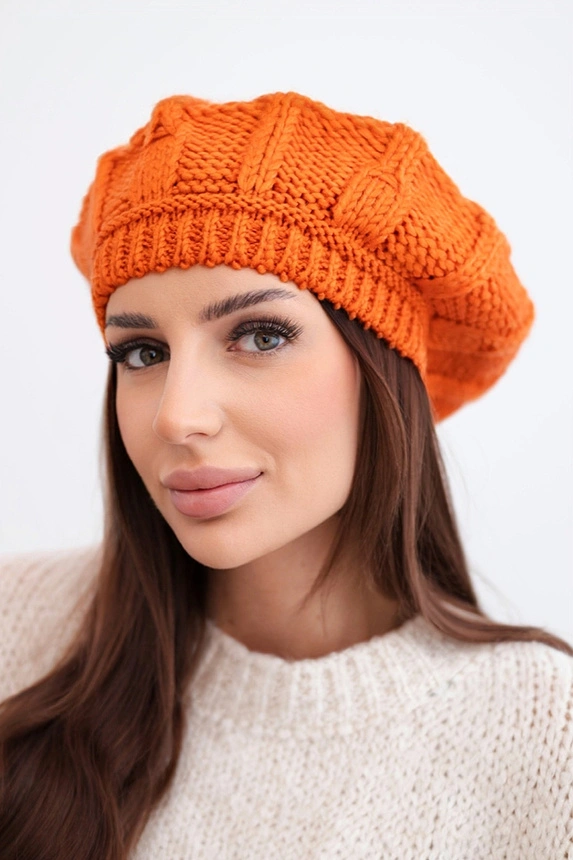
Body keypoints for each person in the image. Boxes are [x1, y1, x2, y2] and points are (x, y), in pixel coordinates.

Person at [0, 91, 571, 860]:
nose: (176, 416)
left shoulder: (543, 734)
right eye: (142, 352)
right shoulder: (18, 628)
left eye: (260, 336)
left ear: (382, 371)